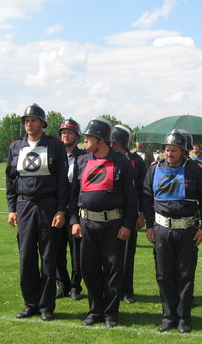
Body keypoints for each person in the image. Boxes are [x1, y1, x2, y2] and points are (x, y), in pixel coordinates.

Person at [69, 117, 137, 328]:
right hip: (86, 224)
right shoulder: (82, 161)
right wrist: (74, 221)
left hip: (113, 225)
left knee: (113, 269)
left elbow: (131, 197)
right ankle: (95, 310)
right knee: (88, 268)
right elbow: (73, 195)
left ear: (100, 140)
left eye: (89, 137)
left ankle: (110, 313)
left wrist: (127, 224)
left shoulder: (121, 162)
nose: (85, 141)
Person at [6, 103, 69, 321]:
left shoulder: (55, 146)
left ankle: (46, 306)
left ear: (42, 123)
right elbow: (10, 179)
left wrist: (61, 210)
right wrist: (11, 209)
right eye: (26, 121)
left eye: (33, 120)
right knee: (26, 257)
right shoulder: (16, 147)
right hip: (24, 206)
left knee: (49, 257)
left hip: (48, 206)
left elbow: (63, 181)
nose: (29, 124)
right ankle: (30, 303)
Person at [143, 130, 202, 334]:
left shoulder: (196, 170)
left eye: (173, 150)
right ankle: (168, 317)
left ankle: (183, 318)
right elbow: (146, 197)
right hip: (162, 230)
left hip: (187, 230)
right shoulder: (154, 169)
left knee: (185, 275)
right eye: (166, 150)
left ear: (183, 151)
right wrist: (149, 225)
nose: (169, 154)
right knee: (164, 274)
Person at [110, 124, 147, 304]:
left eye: (113, 142)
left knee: (127, 254)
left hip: (130, 213)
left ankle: (126, 291)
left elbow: (144, 190)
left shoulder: (136, 161)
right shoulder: (107, 159)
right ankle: (111, 289)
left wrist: (142, 215)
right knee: (110, 254)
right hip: (111, 213)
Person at [55, 118, 86, 301]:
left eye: (69, 132)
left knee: (77, 251)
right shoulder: (55, 155)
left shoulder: (83, 158)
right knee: (57, 250)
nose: (65, 135)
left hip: (75, 210)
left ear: (76, 136)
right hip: (57, 210)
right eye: (63, 132)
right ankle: (62, 284)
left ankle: (75, 286)